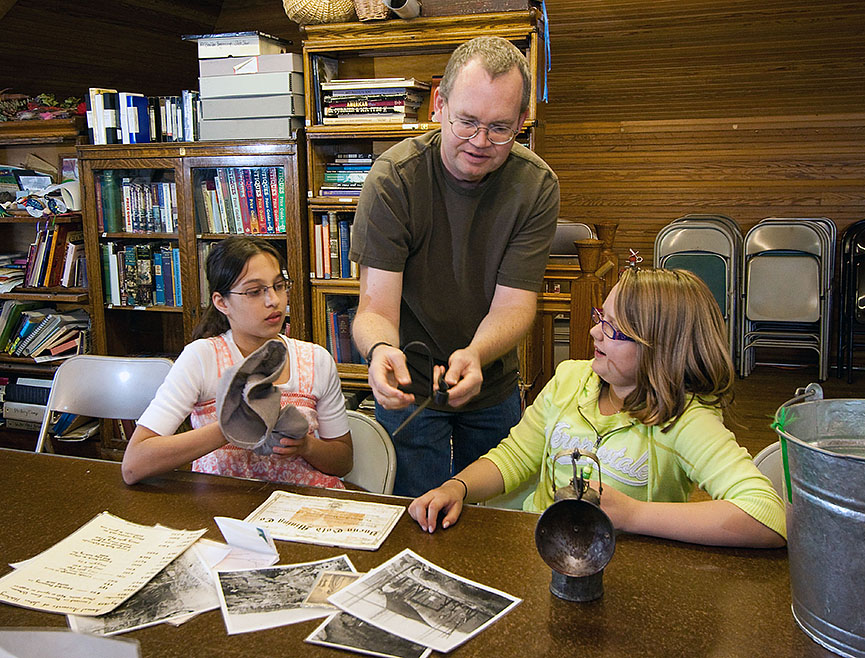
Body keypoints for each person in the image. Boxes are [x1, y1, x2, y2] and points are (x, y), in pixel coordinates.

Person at [408, 268, 787, 548]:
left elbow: (768, 517)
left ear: (662, 348)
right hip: (541, 554)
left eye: (614, 330)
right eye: (599, 317)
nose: (594, 332)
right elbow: (515, 457)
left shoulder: (685, 419)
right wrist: (458, 486)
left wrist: (634, 515)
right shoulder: (571, 379)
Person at [350, 36, 560, 497]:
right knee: (413, 514)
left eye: (500, 128)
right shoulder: (394, 180)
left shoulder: (536, 186)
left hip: (492, 384)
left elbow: (514, 306)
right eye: (467, 122)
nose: (480, 142)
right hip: (409, 386)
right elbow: (374, 307)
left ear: (522, 120)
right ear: (439, 104)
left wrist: (477, 354)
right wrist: (380, 350)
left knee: (494, 525)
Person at [121, 236, 353, 486]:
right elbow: (135, 465)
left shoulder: (315, 359)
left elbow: (343, 461)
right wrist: (232, 427)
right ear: (222, 302)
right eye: (254, 292)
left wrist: (306, 446)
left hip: (299, 509)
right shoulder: (202, 357)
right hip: (223, 510)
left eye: (279, 285)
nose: (273, 300)